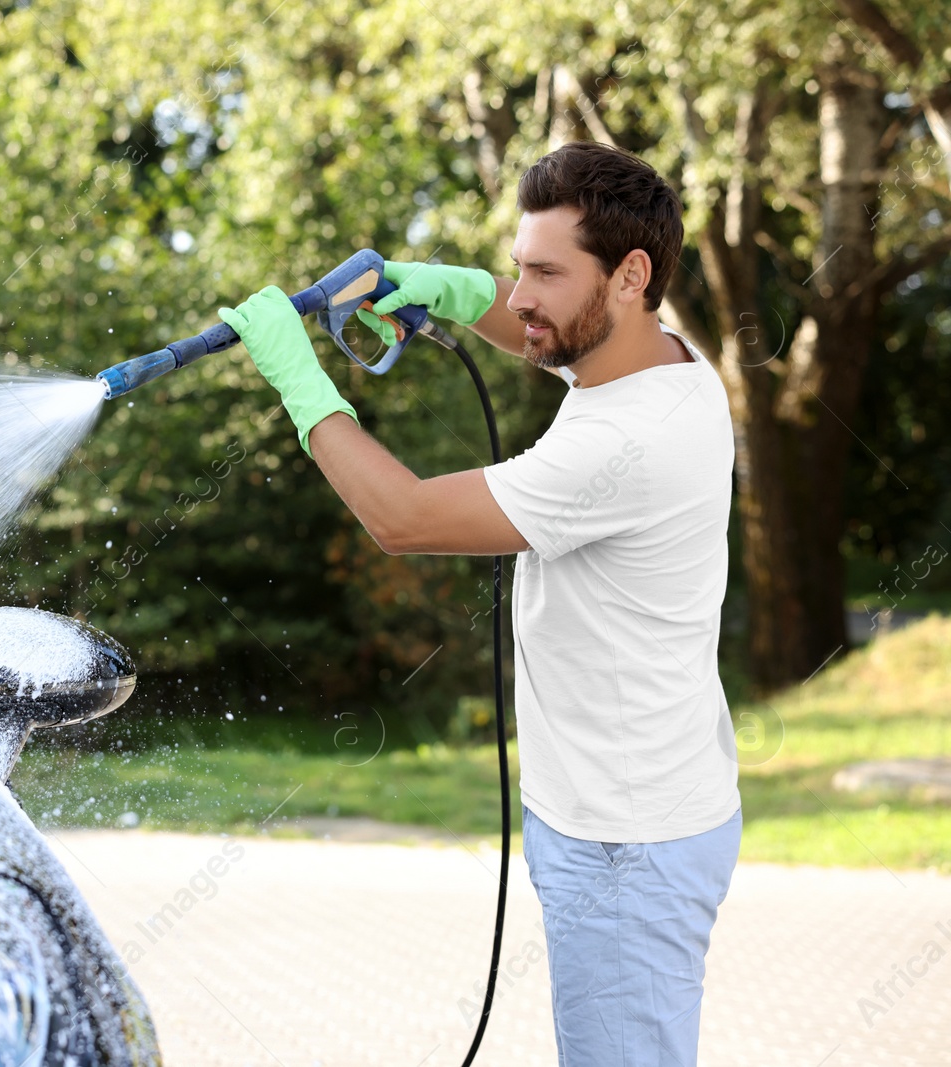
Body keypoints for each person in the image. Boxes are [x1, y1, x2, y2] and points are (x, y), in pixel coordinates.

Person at [218, 140, 742, 1066]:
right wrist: (455, 289)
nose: (522, 296)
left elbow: (404, 517)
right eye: (515, 267)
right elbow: (550, 333)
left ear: (630, 275)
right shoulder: (660, 359)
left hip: (625, 845)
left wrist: (297, 379)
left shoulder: (630, 439)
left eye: (544, 270)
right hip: (631, 811)